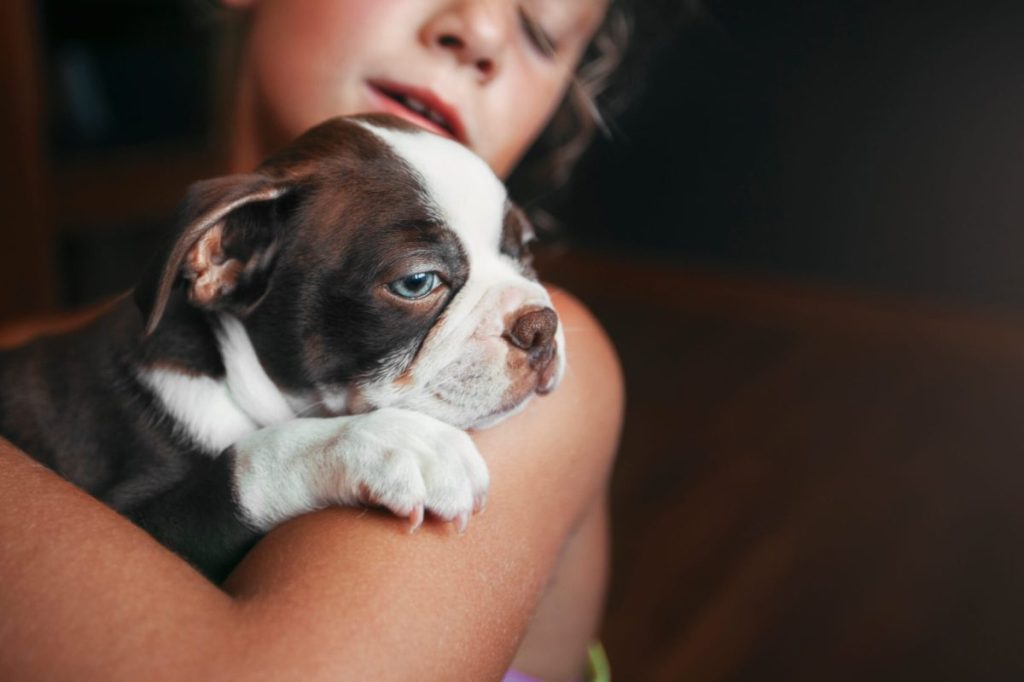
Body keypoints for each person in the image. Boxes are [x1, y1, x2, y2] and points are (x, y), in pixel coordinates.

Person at [0, 1, 637, 679]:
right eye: (420, 279)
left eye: (542, 34)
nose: (479, 31)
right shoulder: (68, 366)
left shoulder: (563, 384)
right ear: (219, 258)